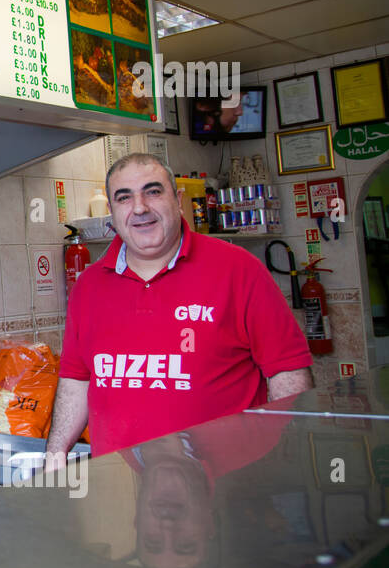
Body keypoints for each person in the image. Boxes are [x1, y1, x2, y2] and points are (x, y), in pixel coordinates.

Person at [45, 153, 312, 458]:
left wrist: (285, 457)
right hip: (119, 488)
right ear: (112, 212)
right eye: (124, 198)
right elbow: (77, 379)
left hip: (229, 486)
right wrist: (55, 453)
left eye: (153, 191)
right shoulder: (89, 286)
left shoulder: (239, 270)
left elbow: (287, 374)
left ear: (178, 199)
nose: (140, 207)